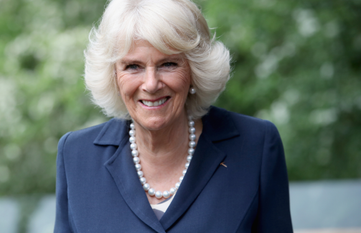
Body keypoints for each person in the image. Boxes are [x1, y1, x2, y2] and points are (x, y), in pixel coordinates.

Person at [54, 0, 293, 232]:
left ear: (194, 70)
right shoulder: (76, 155)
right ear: (114, 76)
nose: (151, 84)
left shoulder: (256, 145)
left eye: (168, 64)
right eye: (133, 66)